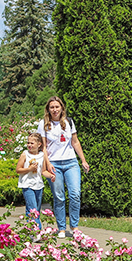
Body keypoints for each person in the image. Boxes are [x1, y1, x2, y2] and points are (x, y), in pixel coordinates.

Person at [36, 96, 91, 238]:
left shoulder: (69, 122)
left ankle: (74, 227)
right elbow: (43, 147)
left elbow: (75, 142)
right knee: (59, 197)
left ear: (62, 108)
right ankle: (61, 228)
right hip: (54, 164)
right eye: (52, 107)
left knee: (75, 194)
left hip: (71, 162)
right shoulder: (43, 124)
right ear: (48, 109)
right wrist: (47, 164)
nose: (55, 110)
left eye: (57, 107)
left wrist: (83, 160)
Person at [16, 132, 54, 234]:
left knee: (34, 209)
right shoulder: (25, 154)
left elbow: (43, 171)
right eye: (28, 143)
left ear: (39, 144)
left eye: (32, 143)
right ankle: (38, 232)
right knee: (33, 209)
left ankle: (29, 230)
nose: (29, 145)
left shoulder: (42, 156)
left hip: (38, 185)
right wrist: (29, 169)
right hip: (27, 185)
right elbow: (18, 169)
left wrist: (50, 176)